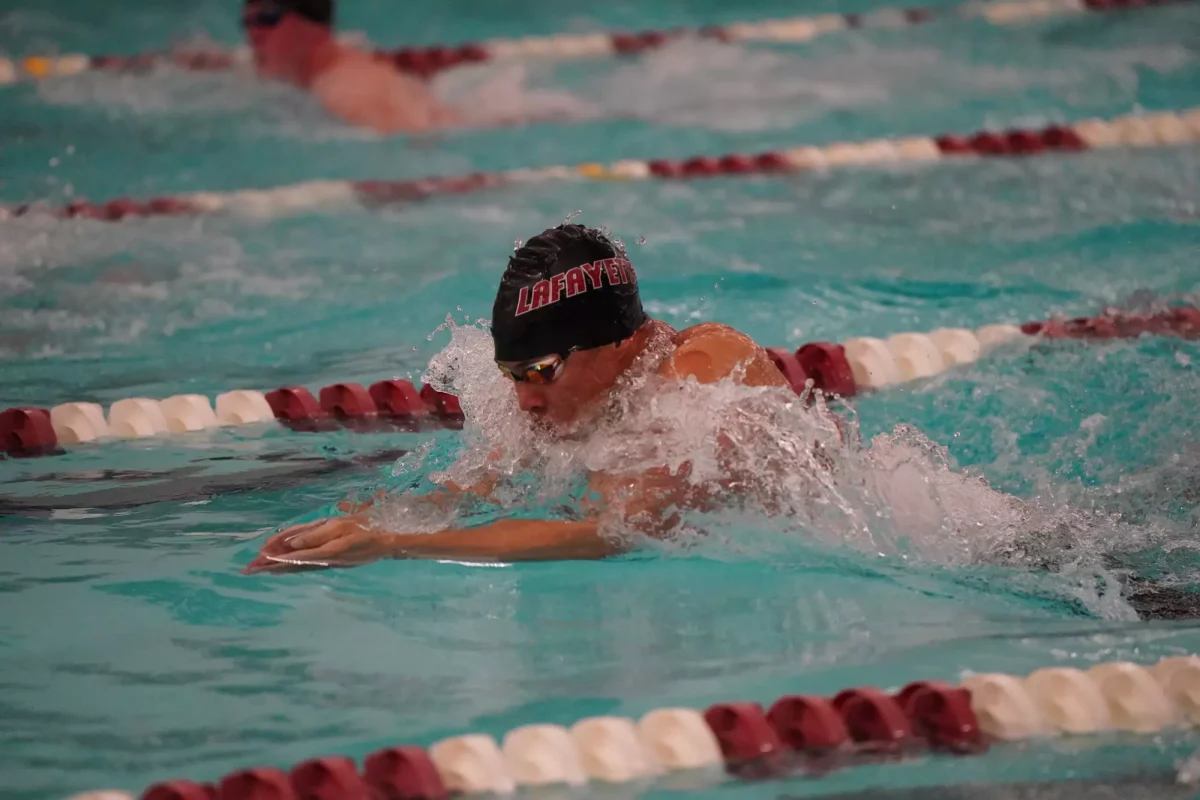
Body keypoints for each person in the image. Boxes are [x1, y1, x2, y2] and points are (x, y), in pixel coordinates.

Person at [244, 223, 821, 575]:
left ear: (612, 341)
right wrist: (361, 524)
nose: (524, 402)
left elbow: (610, 533)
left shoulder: (699, 372)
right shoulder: (567, 397)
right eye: (510, 375)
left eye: (541, 372)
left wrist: (395, 547)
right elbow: (480, 488)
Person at [242, 0, 458, 134]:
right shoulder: (330, 69)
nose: (254, 34)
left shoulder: (345, 90)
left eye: (266, 18)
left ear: (312, 24)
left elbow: (416, 145)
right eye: (247, 22)